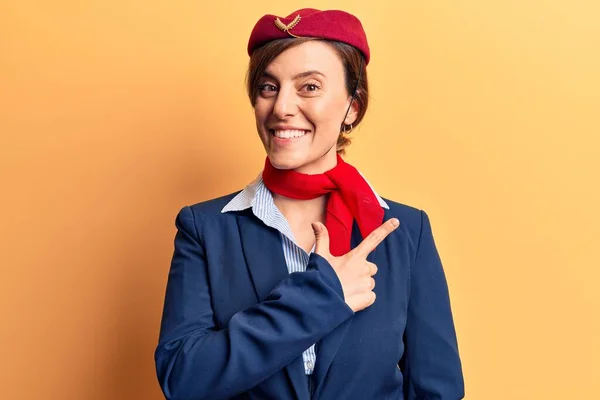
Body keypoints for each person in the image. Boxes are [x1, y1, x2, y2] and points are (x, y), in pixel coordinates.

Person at [154, 8, 464, 400]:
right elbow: (183, 380)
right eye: (268, 87)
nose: (282, 107)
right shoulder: (205, 228)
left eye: (309, 87)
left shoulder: (407, 231)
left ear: (353, 105)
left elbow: (437, 390)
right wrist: (321, 295)